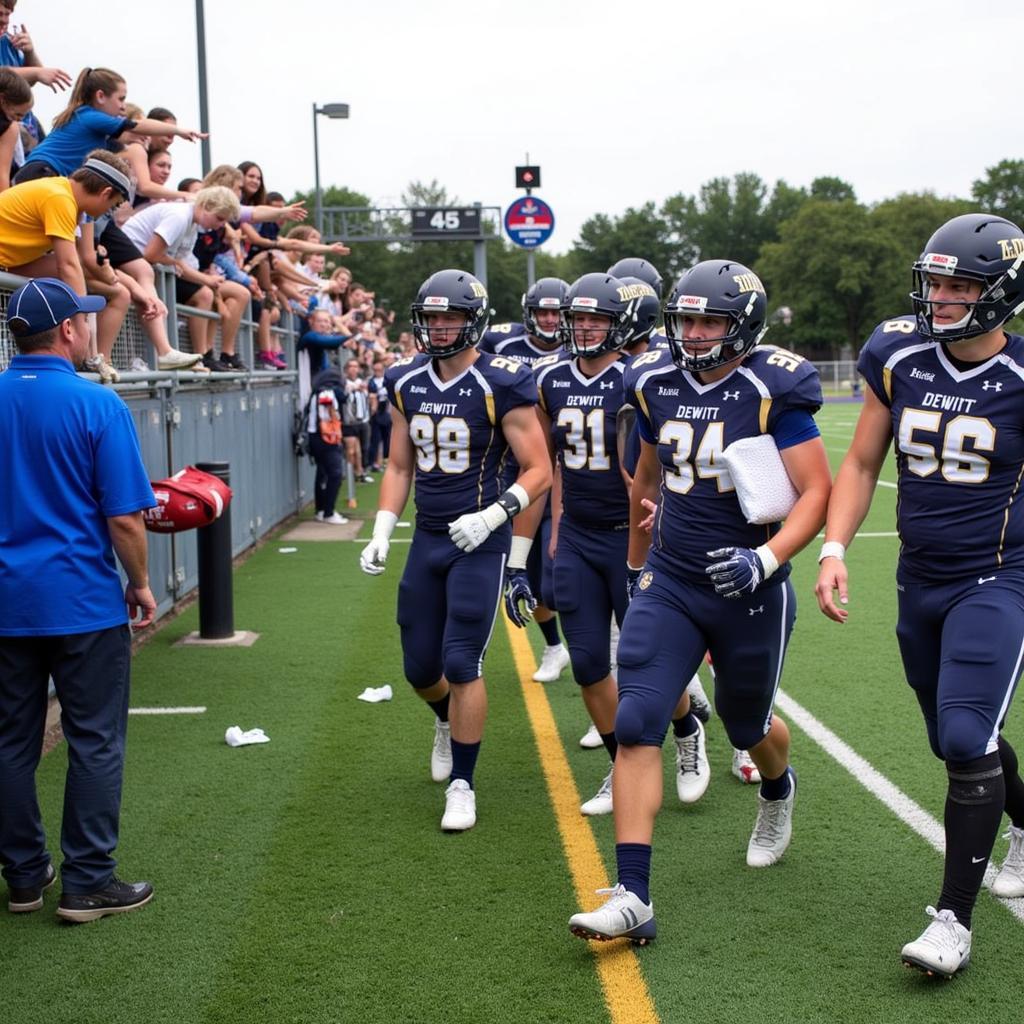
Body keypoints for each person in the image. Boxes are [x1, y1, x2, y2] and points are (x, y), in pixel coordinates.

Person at [569, 259, 830, 944]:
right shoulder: (654, 382)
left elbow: (817, 494)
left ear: (741, 324)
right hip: (674, 578)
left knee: (749, 727)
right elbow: (646, 476)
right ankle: (633, 895)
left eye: (709, 320)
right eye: (684, 318)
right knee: (635, 721)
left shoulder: (774, 385)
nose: (693, 332)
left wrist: (766, 557)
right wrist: (634, 564)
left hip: (751, 587)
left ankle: (778, 789)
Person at [815, 213, 1024, 978]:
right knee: (953, 737)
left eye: (960, 284)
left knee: (968, 738)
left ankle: (952, 923)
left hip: (999, 577)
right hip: (920, 578)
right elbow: (864, 463)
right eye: (934, 281)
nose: (939, 297)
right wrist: (835, 548)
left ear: (1000, 293)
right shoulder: (898, 353)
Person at [359, 268, 551, 832]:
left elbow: (540, 469)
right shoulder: (404, 380)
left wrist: (495, 514)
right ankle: (444, 720)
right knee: (420, 667)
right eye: (433, 317)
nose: (440, 327)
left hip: (481, 539)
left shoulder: (502, 381)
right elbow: (399, 464)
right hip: (428, 536)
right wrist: (380, 527)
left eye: (452, 317)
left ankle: (464, 783)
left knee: (462, 659)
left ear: (474, 321)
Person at [513, 273, 709, 816]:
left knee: (647, 662)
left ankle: (687, 729)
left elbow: (652, 471)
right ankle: (619, 765)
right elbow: (549, 463)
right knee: (589, 665)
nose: (583, 328)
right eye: (577, 319)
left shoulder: (638, 378)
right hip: (576, 534)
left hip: (634, 535)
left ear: (621, 324)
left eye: (596, 319)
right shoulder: (548, 378)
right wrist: (546, 536)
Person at [0, 277, 157, 921]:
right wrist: (142, 584)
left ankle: (24, 877)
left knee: (10, 740)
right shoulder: (97, 405)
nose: (91, 327)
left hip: (7, 601)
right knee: (94, 739)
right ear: (68, 330)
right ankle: (88, 880)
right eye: (85, 321)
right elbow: (124, 518)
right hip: (82, 601)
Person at [481, 277, 573, 684]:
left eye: (557, 312)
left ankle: (601, 653)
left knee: (560, 580)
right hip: (521, 473)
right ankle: (555, 647)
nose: (551, 320)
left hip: (571, 473)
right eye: (543, 312)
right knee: (531, 575)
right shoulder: (500, 343)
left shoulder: (583, 345)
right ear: (529, 314)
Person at [14, 67, 204, 182]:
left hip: (49, 175)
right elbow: (136, 126)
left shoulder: (93, 123)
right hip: (41, 172)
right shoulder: (90, 116)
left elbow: (129, 135)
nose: (123, 106)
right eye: (121, 99)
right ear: (101, 96)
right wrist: (178, 130)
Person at [0, 149, 130, 293]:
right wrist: (80, 313)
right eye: (115, 205)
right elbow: (68, 265)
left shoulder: (67, 196)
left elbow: (79, 262)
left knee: (81, 268)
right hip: (4, 264)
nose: (110, 211)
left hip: (8, 264)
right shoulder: (61, 198)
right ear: (105, 193)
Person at [305, 364, 349, 526]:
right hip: (326, 438)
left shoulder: (316, 392)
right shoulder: (326, 392)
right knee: (335, 474)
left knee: (321, 473)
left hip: (315, 437)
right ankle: (329, 512)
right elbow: (329, 412)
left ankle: (320, 510)